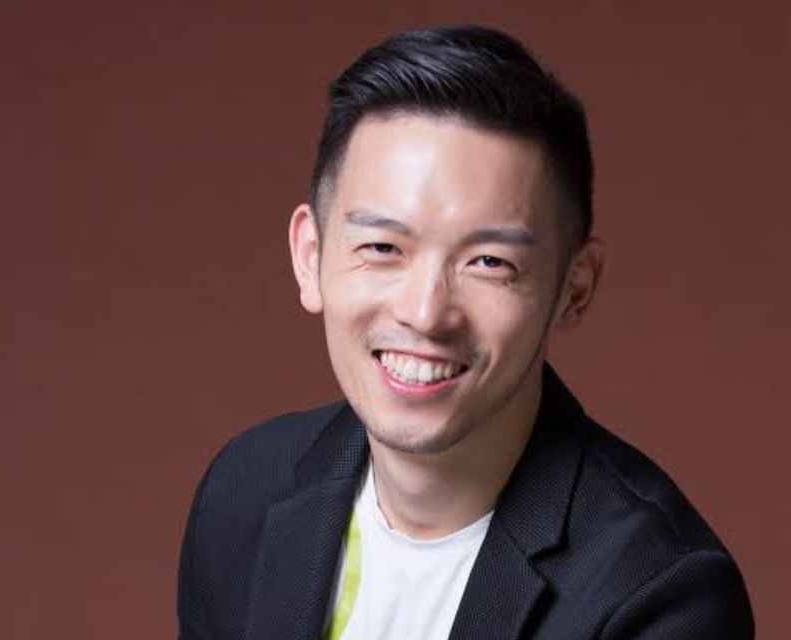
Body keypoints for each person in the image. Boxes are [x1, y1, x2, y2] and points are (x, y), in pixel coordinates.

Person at [177, 25, 754, 640]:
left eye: (488, 263)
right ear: (309, 256)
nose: (426, 313)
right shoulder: (246, 492)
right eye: (382, 247)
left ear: (573, 288)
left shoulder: (661, 596)